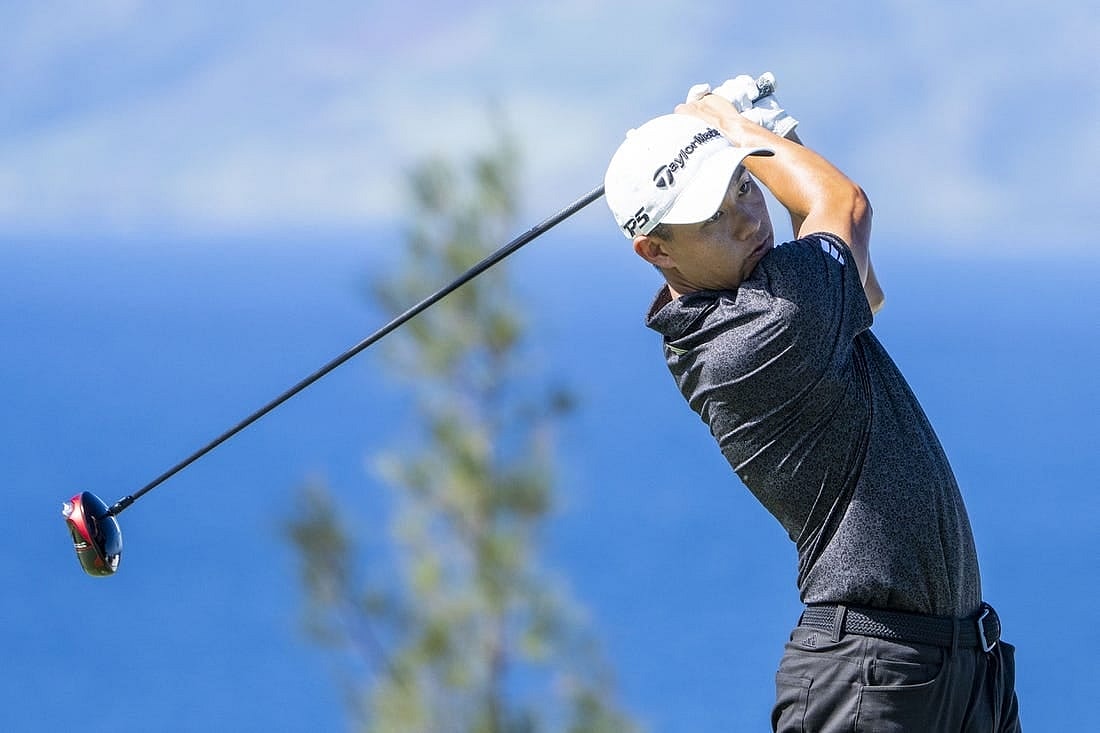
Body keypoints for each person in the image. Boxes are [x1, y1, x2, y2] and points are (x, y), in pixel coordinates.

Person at [602, 75, 1022, 731]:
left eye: (744, 184)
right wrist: (745, 132)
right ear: (656, 250)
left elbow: (866, 289)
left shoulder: (768, 302)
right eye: (712, 215)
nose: (746, 216)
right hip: (869, 675)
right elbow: (844, 204)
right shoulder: (757, 332)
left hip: (955, 669)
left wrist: (776, 142)